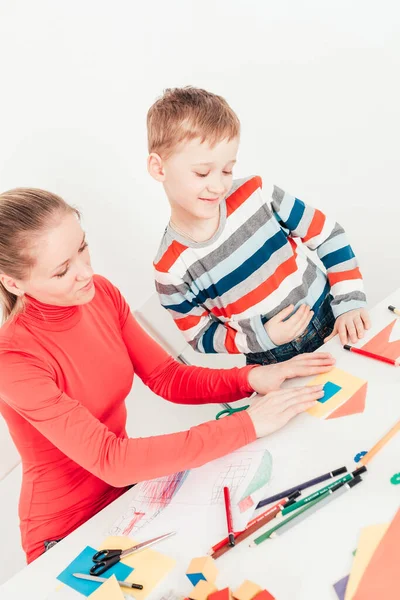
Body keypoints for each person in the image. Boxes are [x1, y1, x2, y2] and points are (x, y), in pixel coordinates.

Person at [0, 188, 334, 563]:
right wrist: (247, 424)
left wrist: (251, 378)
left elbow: (166, 376)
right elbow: (112, 460)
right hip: (66, 533)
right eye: (62, 270)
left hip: (132, 498)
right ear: (14, 283)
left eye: (82, 247)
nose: (85, 271)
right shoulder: (13, 359)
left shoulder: (100, 294)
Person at [148, 87, 371, 365]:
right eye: (202, 172)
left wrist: (350, 303)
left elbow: (329, 235)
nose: (218, 186)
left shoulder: (257, 194)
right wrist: (262, 337)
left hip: (333, 318)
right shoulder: (169, 269)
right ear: (159, 169)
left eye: (227, 170)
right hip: (273, 359)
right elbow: (200, 335)